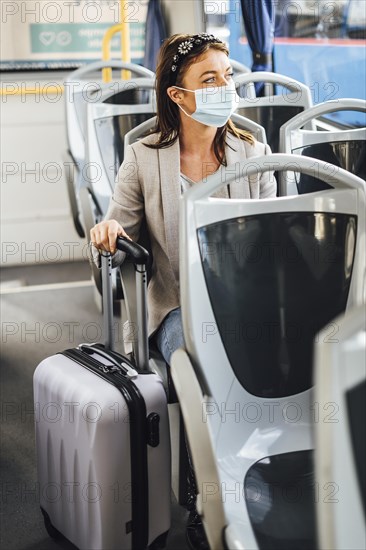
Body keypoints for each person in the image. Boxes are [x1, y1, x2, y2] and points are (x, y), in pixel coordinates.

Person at [90, 32, 276, 549]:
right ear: (178, 95)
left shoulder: (254, 152)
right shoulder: (143, 157)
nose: (225, 86)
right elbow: (116, 229)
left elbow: (272, 243)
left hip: (246, 303)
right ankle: (207, 496)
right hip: (176, 307)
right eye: (209, 79)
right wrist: (107, 234)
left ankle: (266, 476)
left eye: (228, 76)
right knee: (204, 362)